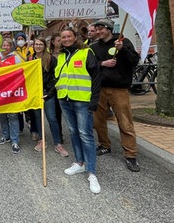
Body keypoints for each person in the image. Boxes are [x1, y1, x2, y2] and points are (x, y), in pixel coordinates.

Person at [91, 18, 141, 173]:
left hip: (119, 90)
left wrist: (123, 50)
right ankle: (104, 145)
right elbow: (90, 65)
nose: (98, 32)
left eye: (101, 29)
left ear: (109, 29)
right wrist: (102, 64)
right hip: (100, 89)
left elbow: (134, 61)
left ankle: (130, 154)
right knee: (98, 121)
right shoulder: (94, 47)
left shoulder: (123, 42)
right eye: (97, 29)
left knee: (125, 122)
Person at [55, 28, 101, 194]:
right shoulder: (61, 56)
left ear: (75, 38)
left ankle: (92, 172)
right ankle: (79, 163)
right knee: (73, 132)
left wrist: (95, 100)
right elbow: (58, 78)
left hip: (82, 100)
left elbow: (96, 76)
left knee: (85, 134)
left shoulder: (86, 52)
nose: (66, 39)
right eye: (63, 37)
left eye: (69, 36)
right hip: (65, 99)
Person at [30, 37, 68, 157]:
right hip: (35, 93)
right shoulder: (30, 58)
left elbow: (55, 76)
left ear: (44, 45)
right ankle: (42, 140)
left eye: (40, 44)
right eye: (36, 44)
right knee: (37, 117)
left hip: (47, 93)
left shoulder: (51, 58)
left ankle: (58, 143)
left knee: (52, 118)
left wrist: (49, 92)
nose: (38, 46)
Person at [0, 37, 24, 154]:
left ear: (11, 46)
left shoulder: (16, 58)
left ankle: (15, 140)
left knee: (13, 115)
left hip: (12, 90)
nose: (5, 47)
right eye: (3, 45)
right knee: (2, 114)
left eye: (7, 45)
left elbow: (21, 72)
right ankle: (6, 135)